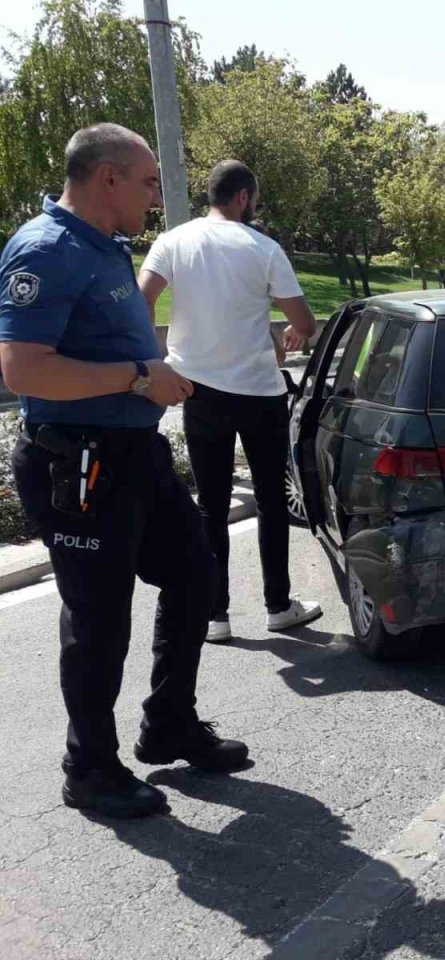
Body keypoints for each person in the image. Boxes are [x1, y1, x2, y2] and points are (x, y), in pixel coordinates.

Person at [0, 124, 250, 820]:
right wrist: (143, 377)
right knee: (99, 620)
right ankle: (89, 770)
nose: (154, 196)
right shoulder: (45, 251)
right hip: (79, 461)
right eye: (147, 182)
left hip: (135, 454)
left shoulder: (105, 248)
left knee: (195, 574)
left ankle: (167, 722)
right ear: (108, 177)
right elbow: (24, 369)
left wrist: (147, 383)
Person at [139, 161, 322, 643]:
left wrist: (154, 365)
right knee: (270, 501)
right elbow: (304, 324)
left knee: (211, 505)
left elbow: (140, 303)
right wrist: (289, 333)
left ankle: (215, 615)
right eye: (254, 198)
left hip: (196, 390)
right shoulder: (264, 248)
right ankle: (278, 606)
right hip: (259, 394)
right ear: (243, 197)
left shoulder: (172, 241)